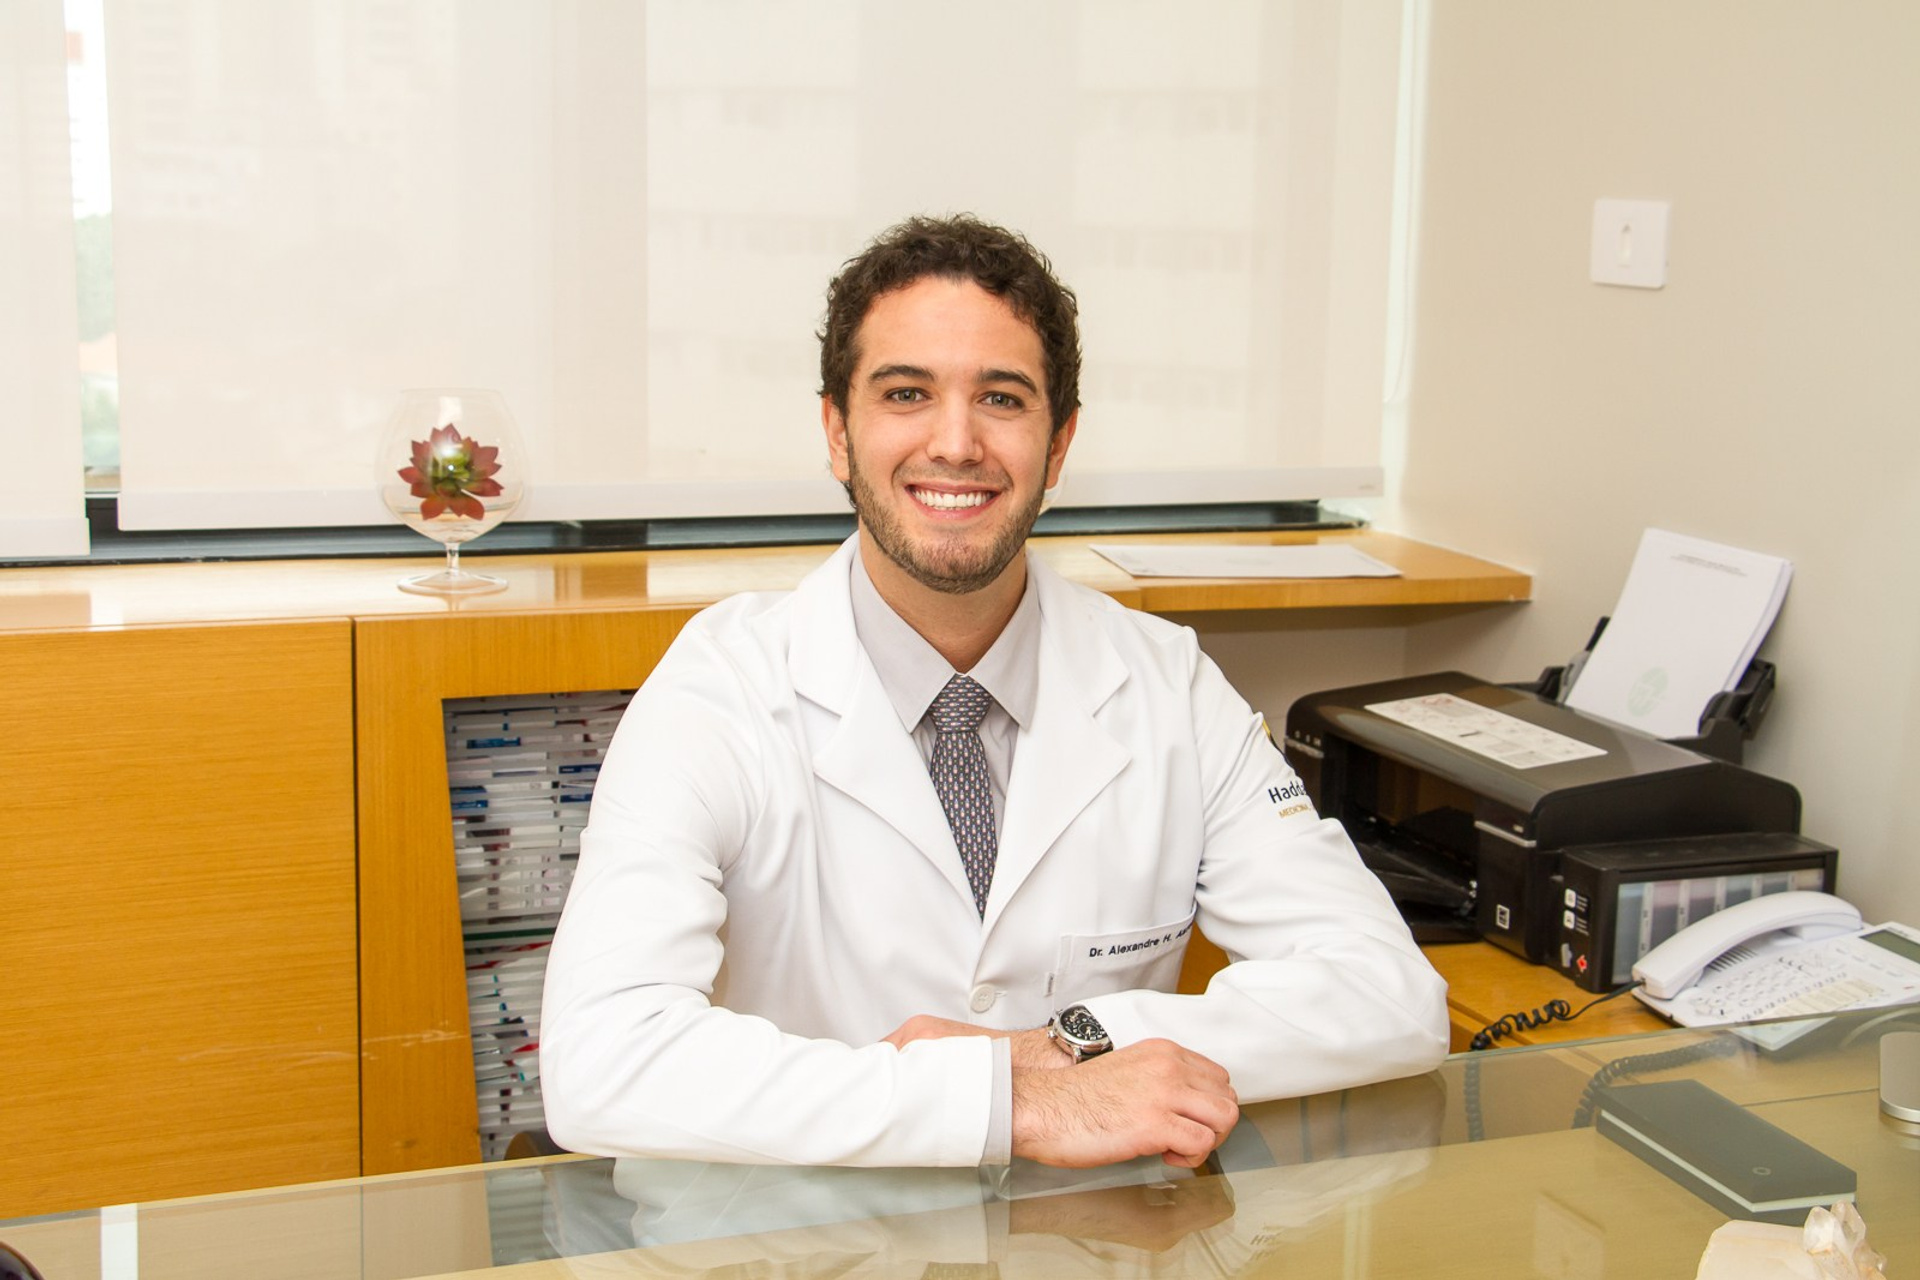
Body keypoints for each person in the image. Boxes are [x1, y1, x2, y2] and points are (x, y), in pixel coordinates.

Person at [540, 214, 1448, 1171]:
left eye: (1003, 398)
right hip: (805, 1246)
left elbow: (1387, 996)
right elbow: (604, 1061)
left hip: (1092, 1239)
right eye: (906, 392)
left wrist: (1073, 1050)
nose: (957, 442)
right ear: (837, 434)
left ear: (1057, 448)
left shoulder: (1166, 684)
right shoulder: (719, 688)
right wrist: (1001, 1100)